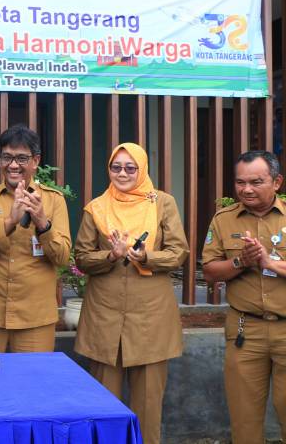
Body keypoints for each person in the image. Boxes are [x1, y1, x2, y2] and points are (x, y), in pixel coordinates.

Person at [73, 142, 188, 444]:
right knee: (103, 408)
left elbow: (179, 252)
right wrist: (111, 256)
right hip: (105, 318)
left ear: (142, 169)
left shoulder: (162, 203)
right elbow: (82, 257)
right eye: (116, 167)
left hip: (150, 319)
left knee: (147, 408)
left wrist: (146, 256)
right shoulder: (96, 207)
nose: (122, 173)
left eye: (130, 168)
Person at [203, 150, 286, 444]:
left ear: (276, 182)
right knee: (244, 419)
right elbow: (210, 271)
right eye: (240, 182)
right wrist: (242, 261)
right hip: (245, 331)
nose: (246, 189)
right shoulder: (224, 220)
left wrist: (270, 263)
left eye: (256, 182)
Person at [0, 124, 70, 353]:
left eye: (22, 158)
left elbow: (62, 257)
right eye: (7, 157)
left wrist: (42, 223)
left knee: (32, 377)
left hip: (35, 319)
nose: (13, 165)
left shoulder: (53, 201)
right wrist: (9, 222)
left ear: (36, 161)